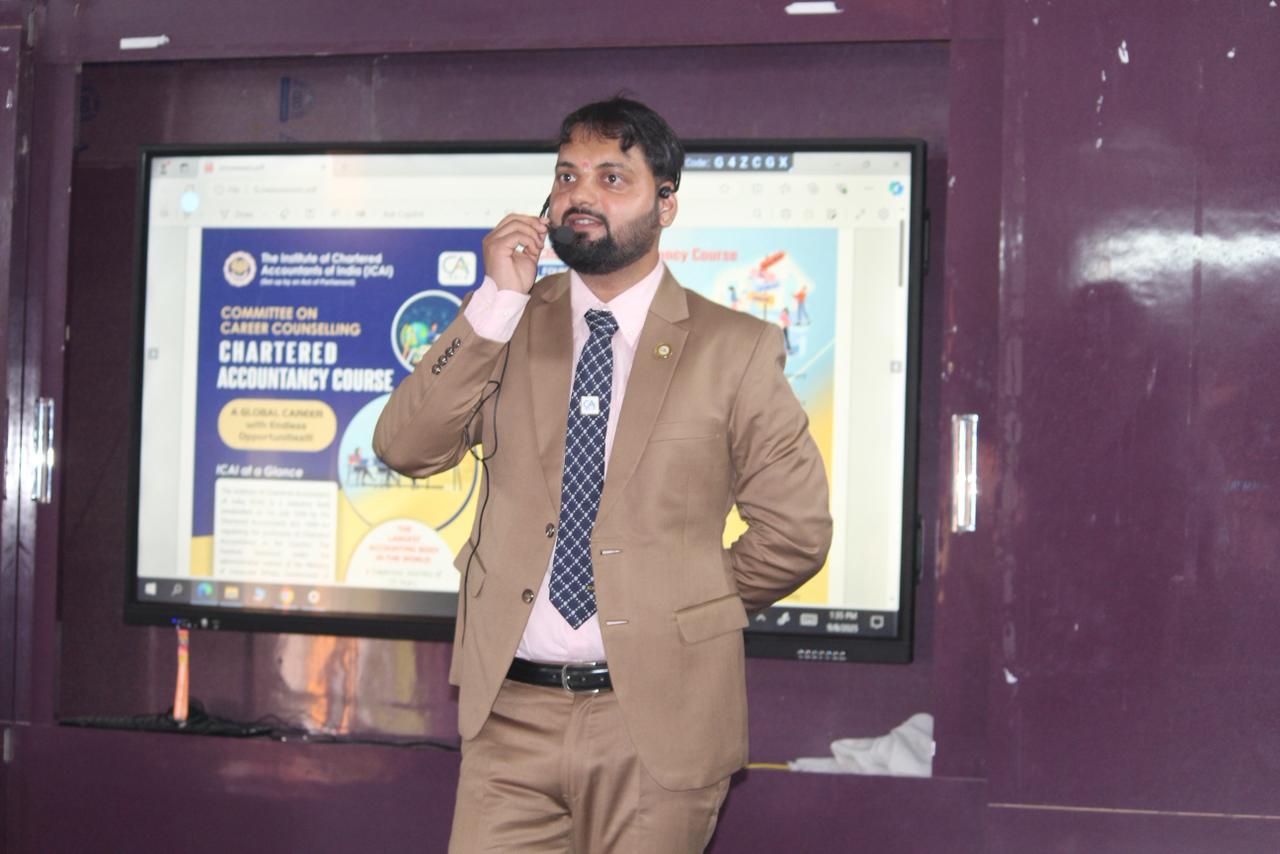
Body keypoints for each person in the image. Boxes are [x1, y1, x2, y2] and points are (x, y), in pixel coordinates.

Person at [374, 97, 831, 853]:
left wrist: (683, 609)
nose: (581, 195)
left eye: (612, 176)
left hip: (657, 716)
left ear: (666, 204)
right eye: (567, 176)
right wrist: (495, 301)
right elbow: (406, 447)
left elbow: (797, 533)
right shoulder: (504, 322)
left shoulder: (734, 349)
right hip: (509, 718)